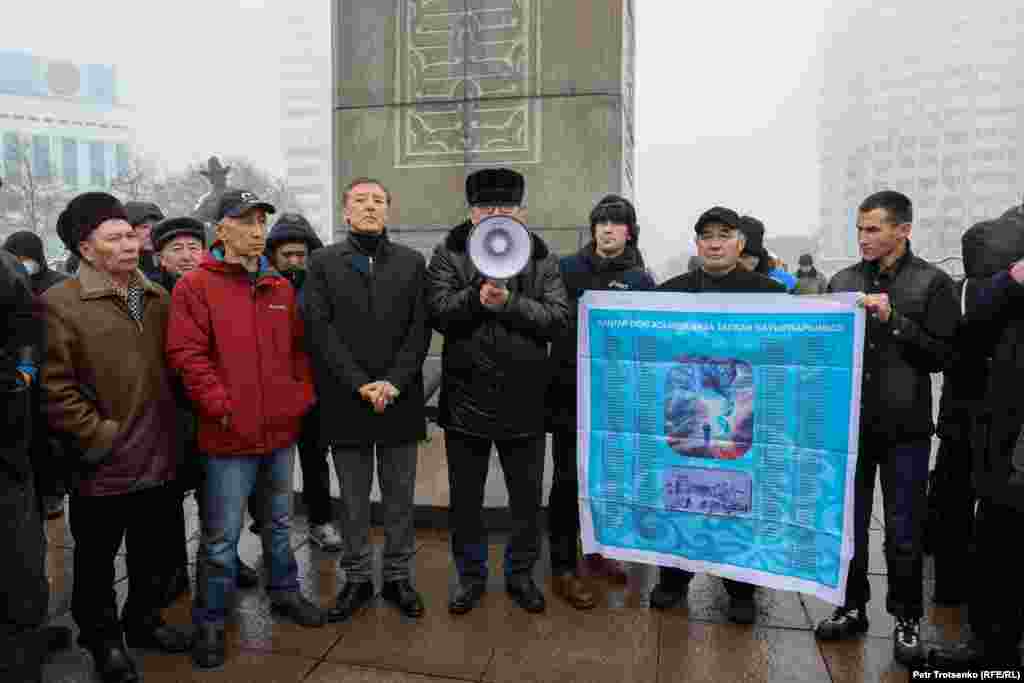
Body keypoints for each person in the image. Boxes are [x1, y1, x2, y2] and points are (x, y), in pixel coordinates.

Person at [166, 188, 326, 670]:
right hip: (227, 436)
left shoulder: (279, 288)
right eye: (246, 221)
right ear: (222, 229)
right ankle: (211, 619)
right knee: (221, 536)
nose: (258, 231)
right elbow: (186, 355)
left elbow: (299, 352)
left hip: (278, 432)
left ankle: (284, 591)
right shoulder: (195, 287)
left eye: (261, 222)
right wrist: (221, 405)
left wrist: (299, 397)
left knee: (279, 522)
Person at [43, 192, 194, 683]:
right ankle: (104, 640)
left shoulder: (155, 297)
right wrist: (99, 436)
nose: (130, 244)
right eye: (115, 238)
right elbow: (54, 388)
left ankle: (144, 622)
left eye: (131, 235)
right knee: (96, 563)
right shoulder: (60, 305)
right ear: (86, 249)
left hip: (159, 454)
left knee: (154, 554)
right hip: (103, 461)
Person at [815, 191, 957, 666]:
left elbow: (944, 355)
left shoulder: (932, 283)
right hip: (851, 426)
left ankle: (907, 617)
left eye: (874, 228)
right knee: (848, 526)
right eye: (859, 228)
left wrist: (893, 320)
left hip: (906, 428)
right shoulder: (842, 280)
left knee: (902, 529)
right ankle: (851, 606)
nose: (864, 238)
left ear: (904, 230)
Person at [426, 168, 569, 615]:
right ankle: (470, 578)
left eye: (505, 207)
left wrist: (509, 304)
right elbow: (438, 312)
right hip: (465, 396)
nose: (496, 213)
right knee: (465, 500)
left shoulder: (541, 256)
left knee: (526, 499)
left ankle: (520, 574)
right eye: (486, 207)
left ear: (521, 212)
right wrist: (476, 298)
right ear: (471, 213)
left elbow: (558, 318)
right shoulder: (449, 251)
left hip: (525, 398)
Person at [650, 206, 785, 624]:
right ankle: (673, 579)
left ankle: (741, 588)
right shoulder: (670, 292)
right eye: (706, 235)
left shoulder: (770, 294)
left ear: (740, 243)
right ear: (697, 244)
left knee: (738, 501)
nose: (714, 242)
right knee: (680, 496)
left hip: (743, 418)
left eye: (724, 234)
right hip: (684, 415)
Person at [304, 178, 430, 622]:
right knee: (354, 500)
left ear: (389, 211)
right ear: (345, 212)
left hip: (400, 399)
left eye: (379, 200)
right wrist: (360, 383)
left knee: (399, 498)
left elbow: (420, 331)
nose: (370, 207)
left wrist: (393, 382)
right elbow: (320, 330)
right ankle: (356, 578)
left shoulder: (414, 263)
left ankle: (398, 576)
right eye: (361, 200)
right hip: (346, 399)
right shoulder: (322, 262)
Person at [546, 194, 655, 609]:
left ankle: (595, 552)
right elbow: (552, 320)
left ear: (629, 231)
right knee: (566, 480)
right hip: (570, 393)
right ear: (592, 229)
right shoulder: (566, 268)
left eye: (616, 222)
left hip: (616, 398)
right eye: (601, 222)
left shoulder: (641, 279)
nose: (608, 229)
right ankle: (562, 567)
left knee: (603, 480)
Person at [928, 212, 1024, 672]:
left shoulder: (980, 290)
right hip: (982, 423)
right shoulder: (982, 291)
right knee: (982, 523)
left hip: (993, 427)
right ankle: (983, 634)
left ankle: (987, 638)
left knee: (992, 529)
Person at [0, 245, 71, 683]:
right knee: (17, 556)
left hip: (11, 444)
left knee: (21, 556)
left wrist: (20, 378)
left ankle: (25, 643)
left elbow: (27, 331)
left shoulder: (6, 267)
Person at [262, 212, 341, 553]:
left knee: (314, 459)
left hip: (314, 388)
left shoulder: (323, 286)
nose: (294, 261)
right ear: (273, 256)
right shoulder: (259, 285)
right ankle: (265, 521)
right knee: (268, 462)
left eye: (300, 255)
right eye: (287, 255)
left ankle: (320, 521)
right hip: (271, 389)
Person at [3, 230, 70, 520]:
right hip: (18, 377)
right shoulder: (9, 281)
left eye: (28, 259)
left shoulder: (58, 285)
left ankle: (52, 493)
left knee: (47, 438)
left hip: (48, 370)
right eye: (18, 258)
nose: (24, 264)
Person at [124, 201, 165, 282]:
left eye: (156, 227)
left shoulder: (166, 263)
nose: (150, 233)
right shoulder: (119, 266)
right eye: (144, 227)